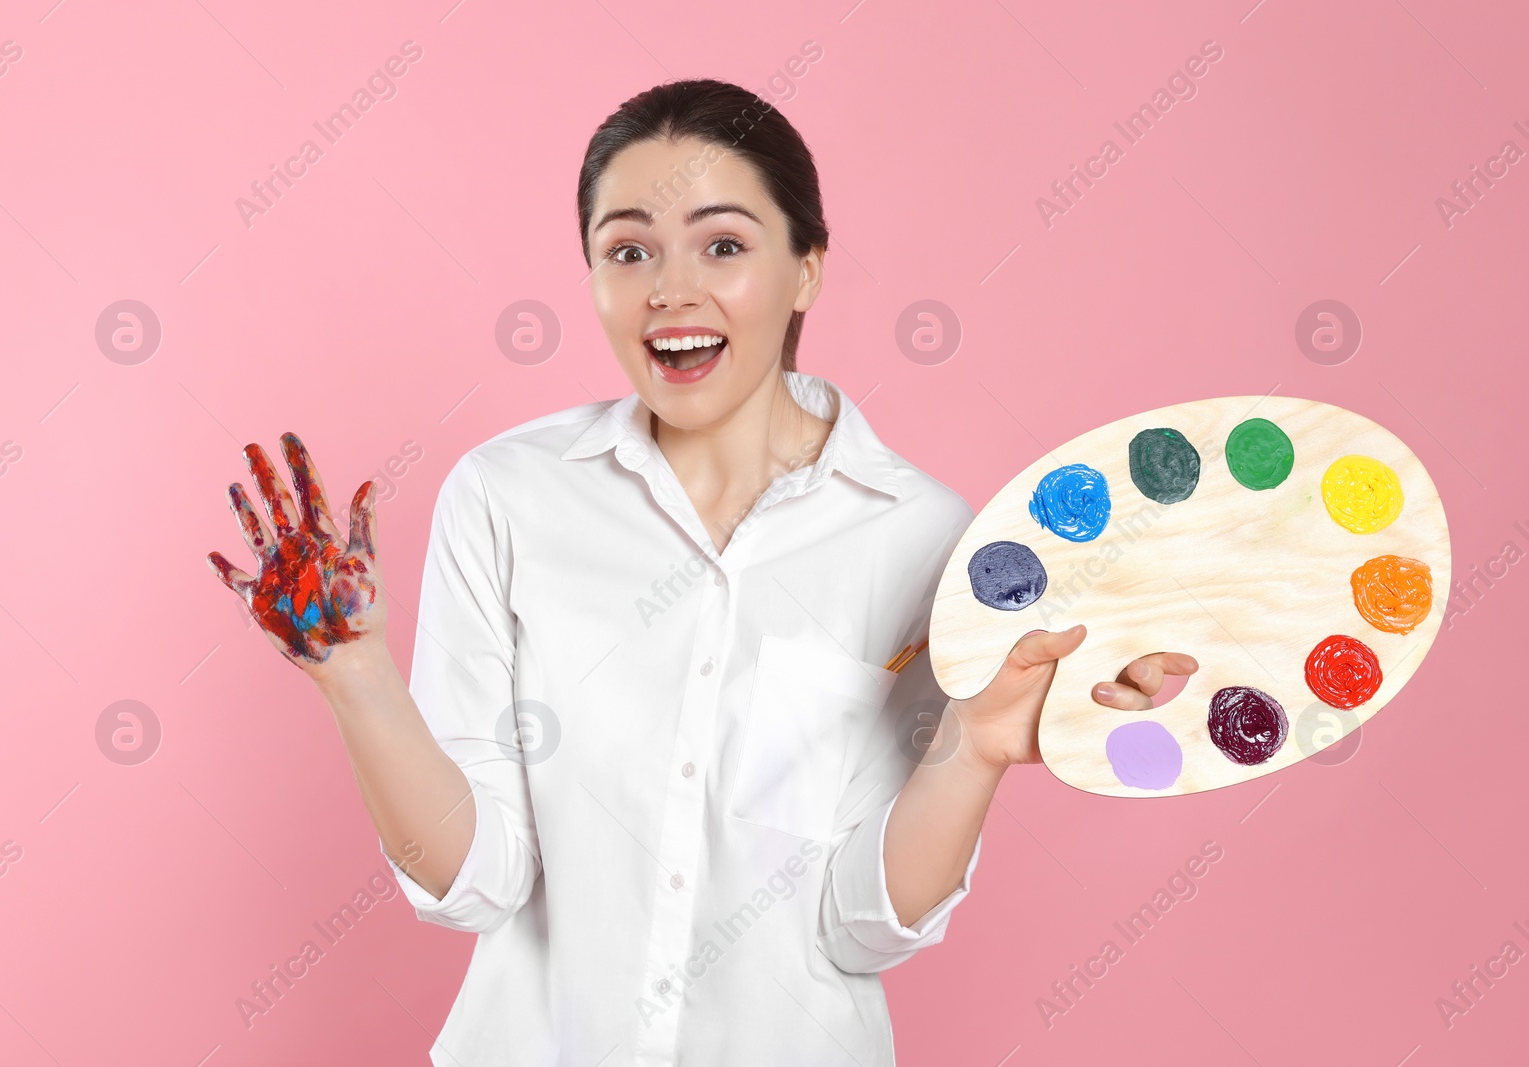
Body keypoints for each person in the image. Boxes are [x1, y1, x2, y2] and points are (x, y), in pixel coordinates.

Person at [206, 78, 1198, 1067]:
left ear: (807, 267)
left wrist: (971, 750)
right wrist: (358, 678)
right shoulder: (507, 496)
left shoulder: (926, 537)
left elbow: (862, 925)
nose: (669, 289)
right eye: (627, 249)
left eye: (723, 245)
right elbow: (479, 882)